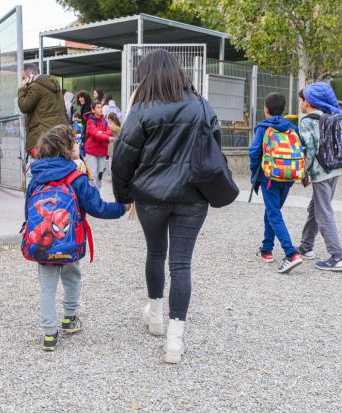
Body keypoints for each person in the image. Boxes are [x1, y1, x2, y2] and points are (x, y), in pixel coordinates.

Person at [112, 49, 221, 364]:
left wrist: (123, 194)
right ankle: (175, 340)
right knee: (182, 264)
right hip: (193, 197)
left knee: (156, 254)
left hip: (151, 197)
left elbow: (122, 156)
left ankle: (156, 316)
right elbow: (214, 150)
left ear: (146, 75)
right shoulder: (201, 105)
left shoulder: (143, 109)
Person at [24, 125, 127, 351]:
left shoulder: (36, 177)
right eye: (75, 143)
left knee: (47, 287)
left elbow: (28, 211)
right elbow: (97, 207)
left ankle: (49, 334)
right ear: (66, 149)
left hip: (43, 243)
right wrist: (122, 208)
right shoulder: (76, 177)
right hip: (69, 242)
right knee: (71, 278)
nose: (78, 146)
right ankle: (69, 319)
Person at [249, 93, 303, 273]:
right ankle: (267, 250)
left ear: (265, 109)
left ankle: (291, 253)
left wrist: (254, 174)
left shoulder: (262, 128)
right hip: (288, 177)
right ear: (284, 109)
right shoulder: (292, 128)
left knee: (273, 214)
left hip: (269, 177)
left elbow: (254, 153)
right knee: (272, 211)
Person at [297, 84, 342, 272]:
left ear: (308, 102)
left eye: (301, 100)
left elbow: (309, 149)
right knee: (316, 207)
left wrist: (304, 172)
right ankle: (306, 245)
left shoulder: (307, 121)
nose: (300, 104)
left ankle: (337, 257)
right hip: (334, 169)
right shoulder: (330, 116)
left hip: (320, 172)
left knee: (323, 211)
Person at [17, 63, 68, 158]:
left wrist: (21, 90)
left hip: (43, 135)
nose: (23, 81)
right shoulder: (55, 84)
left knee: (43, 166)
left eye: (23, 78)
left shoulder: (36, 86)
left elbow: (24, 106)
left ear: (29, 75)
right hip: (59, 133)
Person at [83, 101, 114, 189]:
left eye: (101, 107)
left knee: (100, 174)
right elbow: (95, 133)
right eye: (98, 107)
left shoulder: (104, 120)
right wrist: (107, 138)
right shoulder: (90, 121)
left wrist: (102, 132)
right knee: (93, 174)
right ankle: (93, 195)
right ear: (93, 110)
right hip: (91, 151)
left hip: (102, 150)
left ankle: (98, 194)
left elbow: (109, 132)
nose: (101, 109)